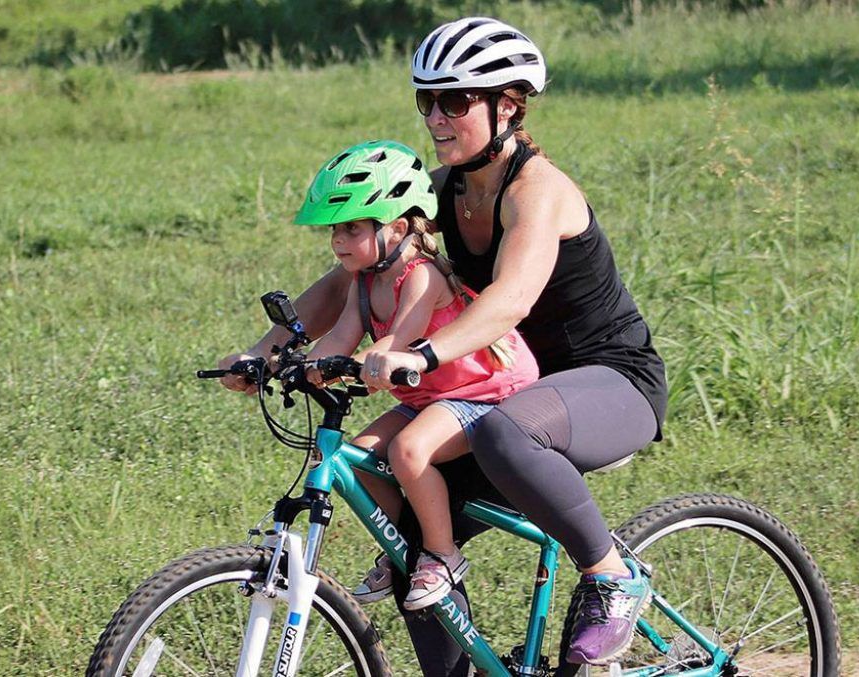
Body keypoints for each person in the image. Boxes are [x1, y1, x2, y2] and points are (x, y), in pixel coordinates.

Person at [220, 17, 667, 672]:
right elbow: (343, 280)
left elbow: (509, 300)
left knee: (506, 433)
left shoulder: (536, 194)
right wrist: (266, 351)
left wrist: (420, 354)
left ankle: (611, 575)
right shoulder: (438, 190)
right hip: (504, 391)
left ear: (507, 106)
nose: (435, 115)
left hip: (608, 381)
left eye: (454, 100)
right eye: (425, 100)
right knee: (403, 534)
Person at [293, 139, 538, 611]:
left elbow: (399, 341)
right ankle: (404, 545)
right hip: (430, 396)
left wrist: (374, 360)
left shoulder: (421, 275)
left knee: (408, 450)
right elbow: (341, 337)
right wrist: (300, 365)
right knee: (356, 459)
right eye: (334, 232)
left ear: (398, 227)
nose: (338, 241)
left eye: (350, 228)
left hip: (484, 394)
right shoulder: (364, 282)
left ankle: (443, 554)